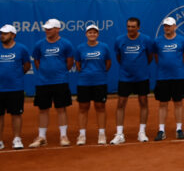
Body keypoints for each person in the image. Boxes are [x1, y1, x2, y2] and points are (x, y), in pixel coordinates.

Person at [29, 18, 75, 148]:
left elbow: (70, 62)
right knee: (43, 110)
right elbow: (37, 61)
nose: (46, 30)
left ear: (57, 29)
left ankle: (63, 136)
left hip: (60, 81)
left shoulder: (66, 44)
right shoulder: (39, 44)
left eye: (49, 28)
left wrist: (59, 72)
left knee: (61, 109)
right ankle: (42, 137)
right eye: (46, 28)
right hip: (43, 82)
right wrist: (45, 72)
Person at [111, 17, 154, 145]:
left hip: (142, 77)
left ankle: (142, 132)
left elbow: (149, 57)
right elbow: (119, 57)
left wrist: (140, 68)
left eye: (133, 27)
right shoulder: (120, 40)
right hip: (125, 77)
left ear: (138, 27)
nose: (130, 29)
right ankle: (119, 134)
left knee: (143, 102)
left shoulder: (146, 40)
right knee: (120, 103)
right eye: (128, 26)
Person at [152, 17, 184, 141]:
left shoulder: (182, 40)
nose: (166, 28)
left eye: (169, 25)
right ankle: (161, 130)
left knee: (178, 103)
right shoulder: (157, 41)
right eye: (165, 26)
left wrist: (175, 66)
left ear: (175, 26)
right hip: (163, 77)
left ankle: (179, 129)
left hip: (177, 76)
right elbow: (156, 57)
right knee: (163, 104)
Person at [74, 24, 111, 145]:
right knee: (83, 108)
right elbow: (78, 64)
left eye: (94, 32)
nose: (92, 34)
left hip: (100, 82)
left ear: (98, 34)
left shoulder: (104, 47)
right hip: (84, 82)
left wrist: (99, 73)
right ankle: (82, 135)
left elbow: (108, 63)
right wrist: (86, 73)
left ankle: (101, 134)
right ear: (86, 34)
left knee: (100, 107)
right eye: (90, 32)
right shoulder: (80, 48)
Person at [0, 24, 31, 150]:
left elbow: (27, 65)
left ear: (13, 35)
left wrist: (16, 76)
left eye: (5, 33)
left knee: (16, 115)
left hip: (15, 88)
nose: (2, 35)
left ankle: (17, 139)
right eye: (1, 33)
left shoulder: (21, 49)